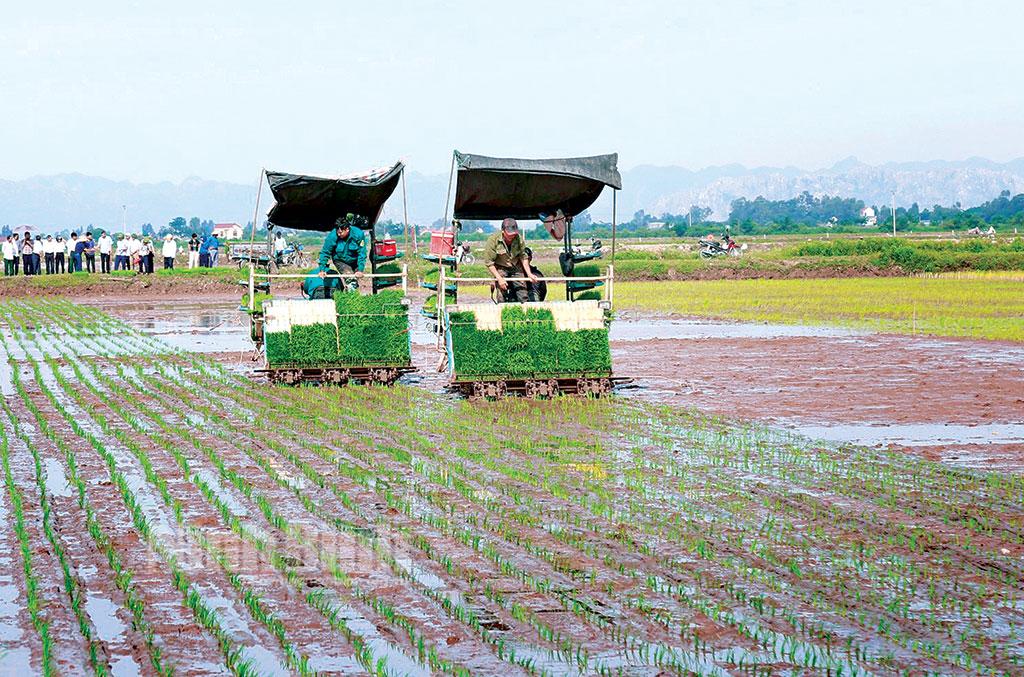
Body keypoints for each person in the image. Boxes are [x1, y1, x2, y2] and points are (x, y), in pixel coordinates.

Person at [483, 218, 536, 303]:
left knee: (522, 292)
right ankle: (502, 308)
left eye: (513, 234)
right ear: (503, 231)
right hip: (500, 267)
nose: (512, 237)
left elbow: (523, 257)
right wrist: (499, 278)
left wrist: (529, 274)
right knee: (501, 293)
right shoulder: (493, 240)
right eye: (509, 234)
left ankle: (524, 308)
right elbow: (489, 263)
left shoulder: (518, 238)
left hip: (516, 266)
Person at [317, 214, 366, 291]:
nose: (338, 234)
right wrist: (322, 270)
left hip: (355, 260)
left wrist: (360, 270)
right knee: (351, 279)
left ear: (347, 229)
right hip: (340, 260)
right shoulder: (332, 236)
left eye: (340, 232)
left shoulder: (358, 234)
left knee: (355, 280)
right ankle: (350, 294)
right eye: (337, 232)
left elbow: (362, 253)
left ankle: (348, 292)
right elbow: (325, 253)